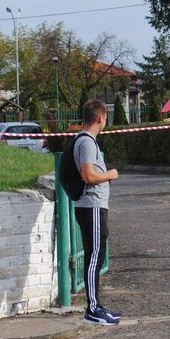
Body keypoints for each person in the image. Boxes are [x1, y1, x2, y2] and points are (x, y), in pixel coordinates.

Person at [74, 99, 121, 326]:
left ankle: (96, 305)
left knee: (96, 255)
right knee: (94, 257)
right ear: (101, 118)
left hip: (94, 206)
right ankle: (92, 310)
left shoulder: (88, 141)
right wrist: (110, 174)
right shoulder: (87, 143)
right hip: (90, 205)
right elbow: (89, 176)